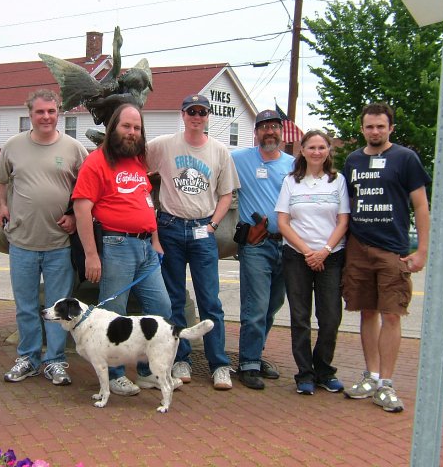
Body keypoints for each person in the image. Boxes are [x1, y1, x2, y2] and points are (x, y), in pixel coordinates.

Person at [73, 103, 179, 396]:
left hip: (146, 247)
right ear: (113, 128)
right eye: (126, 126)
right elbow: (82, 210)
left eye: (137, 128)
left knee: (161, 308)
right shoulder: (96, 162)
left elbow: (146, 203)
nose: (132, 133)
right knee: (113, 314)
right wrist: (92, 255)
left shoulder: (137, 162)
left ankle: (148, 371)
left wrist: (155, 239)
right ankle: (116, 375)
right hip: (116, 245)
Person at [0, 89, 87, 385]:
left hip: (59, 244)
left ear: (58, 112)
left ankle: (55, 361)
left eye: (51, 111)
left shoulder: (74, 149)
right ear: (30, 114)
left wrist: (73, 214)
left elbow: (86, 190)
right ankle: (28, 358)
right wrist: (4, 205)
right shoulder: (12, 146)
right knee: (25, 305)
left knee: (59, 307)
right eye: (39, 112)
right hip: (22, 242)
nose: (45, 117)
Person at [147, 94, 239, 390]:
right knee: (173, 300)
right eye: (191, 112)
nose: (196, 117)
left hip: (203, 230)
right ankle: (181, 358)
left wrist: (213, 224)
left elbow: (226, 193)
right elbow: (136, 168)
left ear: (208, 116)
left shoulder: (219, 151)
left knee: (210, 300)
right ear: (183, 114)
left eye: (202, 112)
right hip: (170, 227)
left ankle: (219, 364)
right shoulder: (163, 145)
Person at [342, 103, 430, 413]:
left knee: (392, 314)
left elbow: (420, 205)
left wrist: (421, 250)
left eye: (381, 126)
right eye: (369, 126)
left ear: (390, 127)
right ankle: (372, 376)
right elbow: (346, 205)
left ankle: (387, 385)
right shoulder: (353, 161)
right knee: (367, 312)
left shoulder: (405, 159)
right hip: (358, 247)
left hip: (393, 249)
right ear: (362, 128)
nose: (375, 131)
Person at [275, 130, 349, 395]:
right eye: (311, 147)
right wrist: (307, 251)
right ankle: (304, 374)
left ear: (328, 150)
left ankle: (323, 370)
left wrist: (325, 251)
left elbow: (343, 221)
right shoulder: (291, 182)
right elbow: (283, 222)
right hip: (297, 256)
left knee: (330, 318)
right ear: (302, 151)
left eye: (321, 147)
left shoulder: (337, 180)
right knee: (300, 317)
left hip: (331, 256)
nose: (316, 152)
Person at [231, 109, 294, 390]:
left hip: (287, 244)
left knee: (272, 307)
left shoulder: (294, 165)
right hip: (256, 244)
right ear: (256, 132)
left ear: (282, 132)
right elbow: (209, 164)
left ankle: (255, 355)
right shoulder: (239, 159)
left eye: (274, 127)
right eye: (264, 127)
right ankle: (248, 363)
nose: (270, 132)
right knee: (255, 307)